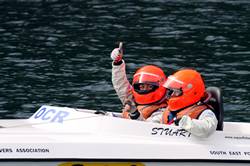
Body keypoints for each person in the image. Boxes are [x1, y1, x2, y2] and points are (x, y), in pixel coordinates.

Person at [110, 43, 168, 123]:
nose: (144, 89)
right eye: (141, 86)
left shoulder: (163, 111)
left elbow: (149, 128)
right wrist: (117, 63)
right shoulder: (133, 99)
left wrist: (134, 113)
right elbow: (120, 85)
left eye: (149, 86)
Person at [161, 69, 218, 137]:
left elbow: (208, 128)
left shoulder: (205, 112)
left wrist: (187, 123)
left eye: (176, 91)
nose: (172, 95)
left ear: (191, 92)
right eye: (171, 91)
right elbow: (158, 121)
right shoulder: (171, 109)